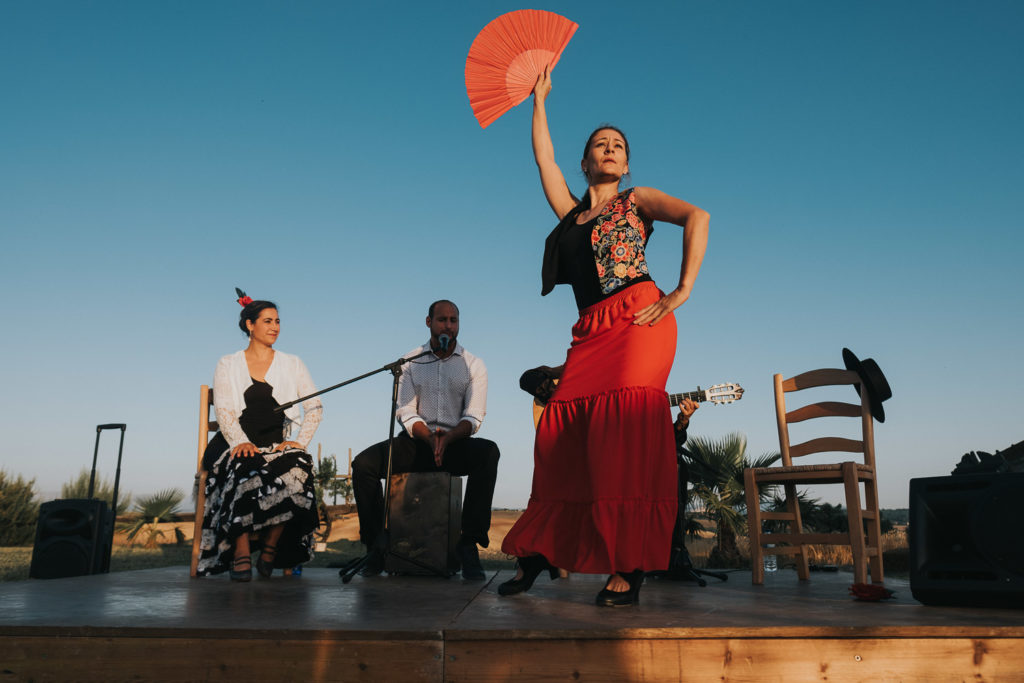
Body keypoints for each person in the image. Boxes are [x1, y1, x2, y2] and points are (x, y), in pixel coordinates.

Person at [500, 67, 710, 606]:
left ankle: (629, 564)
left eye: (618, 145)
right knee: (559, 437)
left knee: (624, 439)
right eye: (600, 144)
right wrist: (539, 101)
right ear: (586, 162)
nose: (610, 149)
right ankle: (545, 549)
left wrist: (682, 289)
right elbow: (544, 161)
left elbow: (696, 215)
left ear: (626, 162)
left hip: (641, 319)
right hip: (591, 330)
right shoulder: (571, 213)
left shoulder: (636, 200)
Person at [351, 300, 500, 580]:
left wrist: (448, 437)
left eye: (453, 320)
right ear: (429, 322)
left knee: (488, 452)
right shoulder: (410, 361)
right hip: (418, 443)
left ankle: (468, 543)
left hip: (454, 444)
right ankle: (375, 545)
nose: (448, 325)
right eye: (442, 319)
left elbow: (475, 415)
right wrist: (430, 438)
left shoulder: (474, 365)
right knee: (363, 464)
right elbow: (405, 411)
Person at [196, 289, 323, 581]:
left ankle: (269, 550)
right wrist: (240, 442)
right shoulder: (227, 363)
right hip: (233, 441)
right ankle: (240, 552)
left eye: (278, 321)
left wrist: (299, 442)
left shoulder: (293, 363)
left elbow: (314, 406)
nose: (275, 327)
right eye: (267, 321)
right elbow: (225, 410)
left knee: (298, 468)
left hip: (276, 442)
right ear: (250, 325)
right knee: (245, 465)